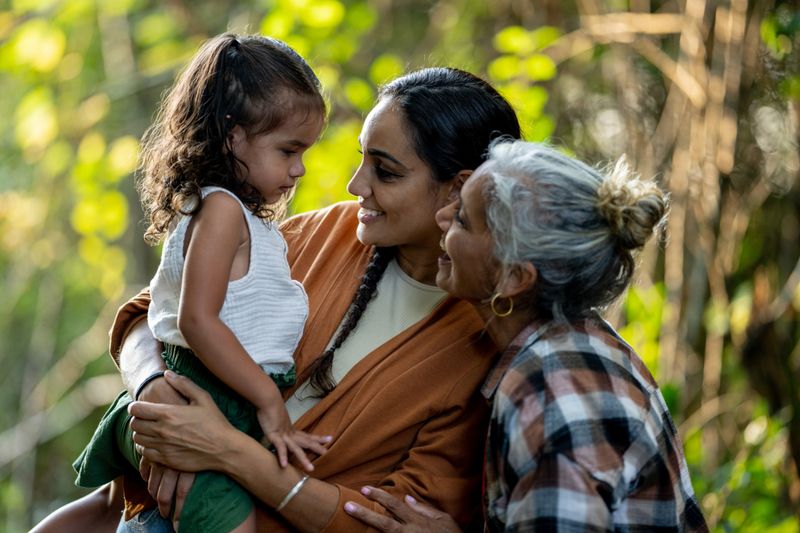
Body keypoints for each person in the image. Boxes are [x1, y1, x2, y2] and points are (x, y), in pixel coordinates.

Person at [34, 67, 522, 532]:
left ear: (458, 189)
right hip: (140, 497)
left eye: (386, 172)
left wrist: (223, 451)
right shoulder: (325, 232)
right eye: (361, 158)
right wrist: (155, 390)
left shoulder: (484, 342)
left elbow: (385, 520)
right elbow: (154, 311)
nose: (356, 187)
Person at [341, 141, 709, 531]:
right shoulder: (576, 345)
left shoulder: (551, 395)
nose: (441, 217)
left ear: (514, 277)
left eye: (463, 219)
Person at [71, 33, 328, 533]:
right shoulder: (223, 210)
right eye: (288, 151)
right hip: (210, 394)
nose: (298, 170)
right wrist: (269, 402)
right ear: (232, 136)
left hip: (219, 397)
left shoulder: (225, 211)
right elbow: (197, 319)